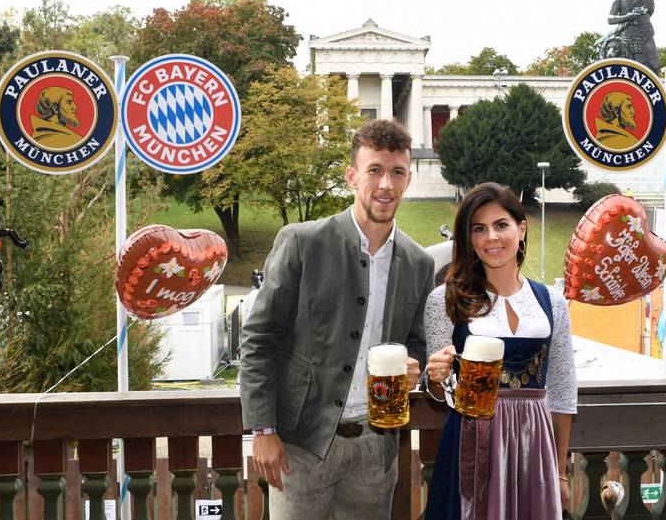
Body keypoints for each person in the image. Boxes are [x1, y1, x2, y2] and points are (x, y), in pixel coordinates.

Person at [238, 119, 435, 520]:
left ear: (408, 179)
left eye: (397, 172)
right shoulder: (302, 242)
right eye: (374, 170)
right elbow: (258, 339)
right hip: (301, 445)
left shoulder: (419, 262)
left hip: (374, 448)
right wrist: (263, 430)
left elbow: (416, 342)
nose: (386, 184)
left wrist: (415, 365)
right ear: (352, 176)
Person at [422, 182, 577, 519]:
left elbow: (563, 391)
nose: (491, 237)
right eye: (479, 229)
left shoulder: (553, 301)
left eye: (501, 225)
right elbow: (438, 392)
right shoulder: (444, 300)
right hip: (471, 441)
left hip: (532, 445)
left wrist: (560, 470)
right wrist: (436, 375)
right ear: (469, 239)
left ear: (521, 230)